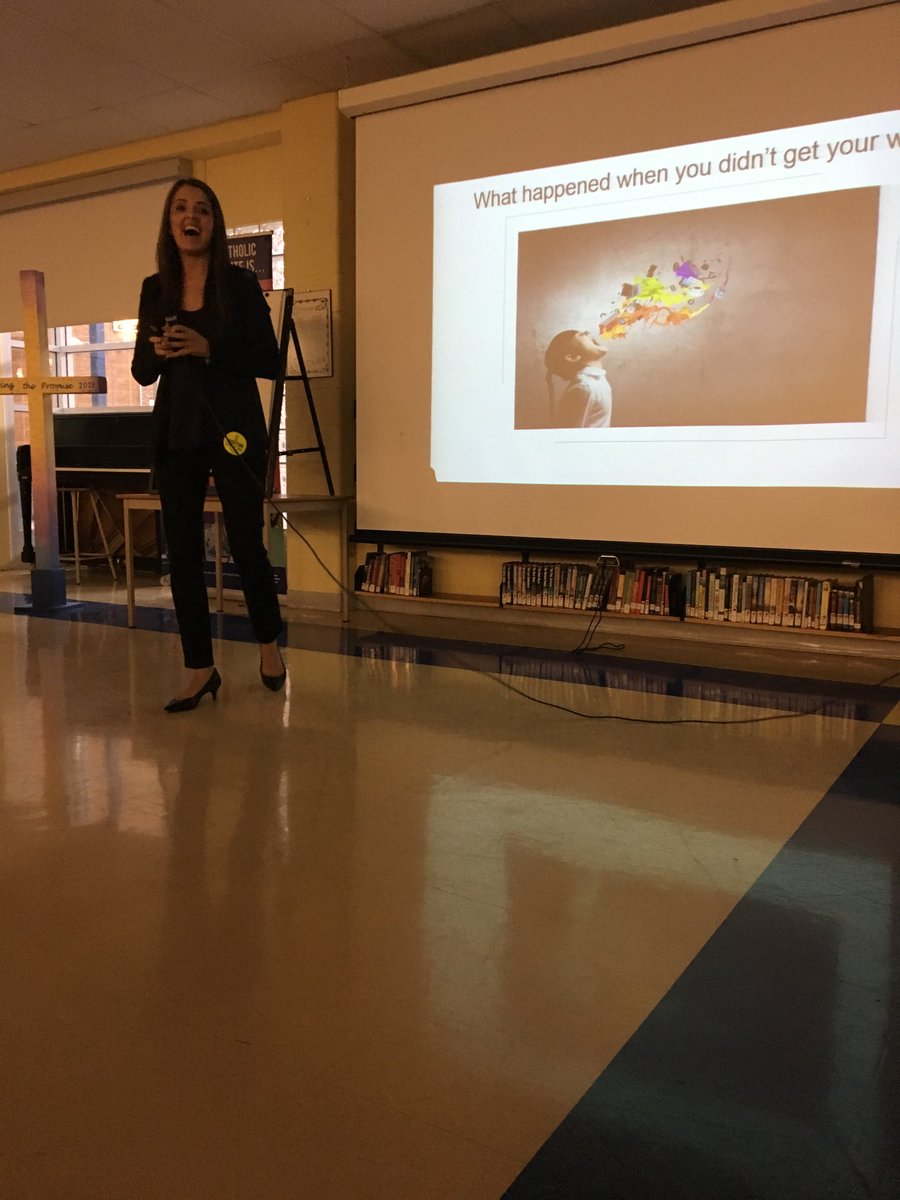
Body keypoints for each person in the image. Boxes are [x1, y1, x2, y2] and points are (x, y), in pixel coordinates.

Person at [131, 177, 287, 712]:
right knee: (183, 551)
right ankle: (199, 668)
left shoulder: (239, 285)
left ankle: (269, 643)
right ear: (169, 223)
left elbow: (270, 360)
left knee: (246, 545)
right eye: (179, 208)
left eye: (200, 209)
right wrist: (158, 350)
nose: (189, 216)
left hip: (235, 431)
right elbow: (141, 372)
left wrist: (208, 348)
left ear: (213, 224)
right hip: (178, 433)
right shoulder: (156, 289)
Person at [544, 329, 613, 428]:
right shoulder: (584, 388)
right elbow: (574, 435)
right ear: (573, 357)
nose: (587, 332)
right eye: (581, 335)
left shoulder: (596, 380)